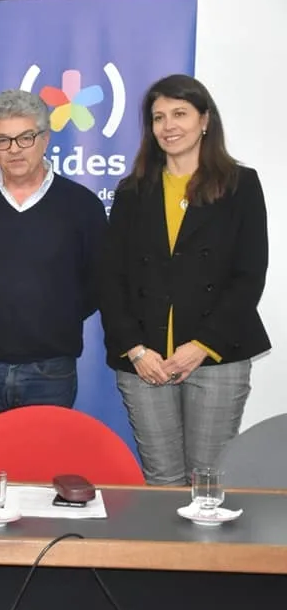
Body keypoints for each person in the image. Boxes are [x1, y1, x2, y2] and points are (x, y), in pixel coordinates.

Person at [100, 74, 270, 486]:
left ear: (205, 120)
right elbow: (110, 279)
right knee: (162, 480)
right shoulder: (131, 191)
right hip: (146, 362)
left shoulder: (241, 185)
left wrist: (201, 346)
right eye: (158, 117)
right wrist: (136, 350)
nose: (168, 126)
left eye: (180, 114)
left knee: (207, 483)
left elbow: (249, 275)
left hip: (216, 355)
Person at [0, 89, 108, 438]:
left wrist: (54, 317)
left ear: (45, 138)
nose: (14, 149)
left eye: (25, 137)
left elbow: (98, 282)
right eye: (2, 140)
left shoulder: (82, 205)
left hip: (50, 371)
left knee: (43, 466)